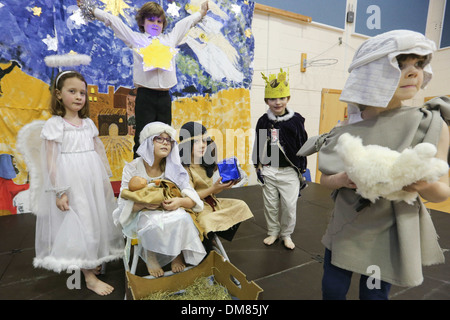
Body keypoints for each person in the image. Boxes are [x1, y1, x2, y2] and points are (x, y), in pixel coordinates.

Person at [298, 30, 450, 300]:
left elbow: (442, 191)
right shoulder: (346, 127)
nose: (413, 72)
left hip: (389, 230)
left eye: (418, 64)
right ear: (372, 72)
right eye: (401, 65)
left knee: (374, 296)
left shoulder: (428, 122)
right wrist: (344, 179)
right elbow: (325, 178)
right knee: (332, 289)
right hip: (347, 224)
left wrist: (421, 184)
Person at [29, 70, 124, 296]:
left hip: (90, 179)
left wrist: (104, 182)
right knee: (81, 224)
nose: (79, 96)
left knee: (96, 220)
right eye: (72, 91)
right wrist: (59, 191)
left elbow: (99, 152)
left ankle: (91, 261)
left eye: (82, 92)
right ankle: (89, 277)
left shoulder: (88, 123)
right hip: (71, 182)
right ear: (59, 95)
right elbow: (51, 162)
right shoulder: (56, 124)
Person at [77, 0, 209, 157]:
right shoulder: (137, 39)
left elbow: (185, 23)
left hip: (164, 98)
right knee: (142, 138)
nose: (155, 24)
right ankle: (138, 176)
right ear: (142, 22)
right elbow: (115, 22)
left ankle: (161, 175)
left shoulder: (170, 39)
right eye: (151, 20)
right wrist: (92, 10)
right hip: (145, 97)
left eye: (159, 21)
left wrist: (200, 13)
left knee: (164, 138)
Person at [112, 121, 206, 278]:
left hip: (169, 210)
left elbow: (191, 197)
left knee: (182, 217)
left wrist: (179, 202)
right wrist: (142, 204)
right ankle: (151, 255)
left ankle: (176, 254)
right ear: (148, 143)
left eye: (168, 140)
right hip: (141, 213)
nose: (165, 143)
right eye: (159, 139)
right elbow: (122, 202)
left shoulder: (173, 167)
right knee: (154, 222)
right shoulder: (132, 168)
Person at [252, 69, 308, 250]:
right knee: (270, 205)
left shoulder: (296, 121)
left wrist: (302, 169)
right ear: (266, 101)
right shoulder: (263, 121)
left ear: (288, 98)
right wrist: (257, 166)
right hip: (269, 168)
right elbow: (258, 143)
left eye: (282, 98)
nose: (278, 102)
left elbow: (303, 145)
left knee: (290, 206)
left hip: (289, 171)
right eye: (273, 99)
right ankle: (273, 231)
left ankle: (286, 234)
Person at [178, 121, 254, 251]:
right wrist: (213, 189)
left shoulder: (204, 163)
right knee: (206, 222)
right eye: (197, 142)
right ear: (186, 144)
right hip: (196, 208)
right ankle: (207, 241)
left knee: (241, 206)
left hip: (211, 202)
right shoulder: (183, 168)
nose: (202, 145)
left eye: (204, 141)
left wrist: (223, 187)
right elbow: (191, 198)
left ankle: (210, 235)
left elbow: (211, 190)